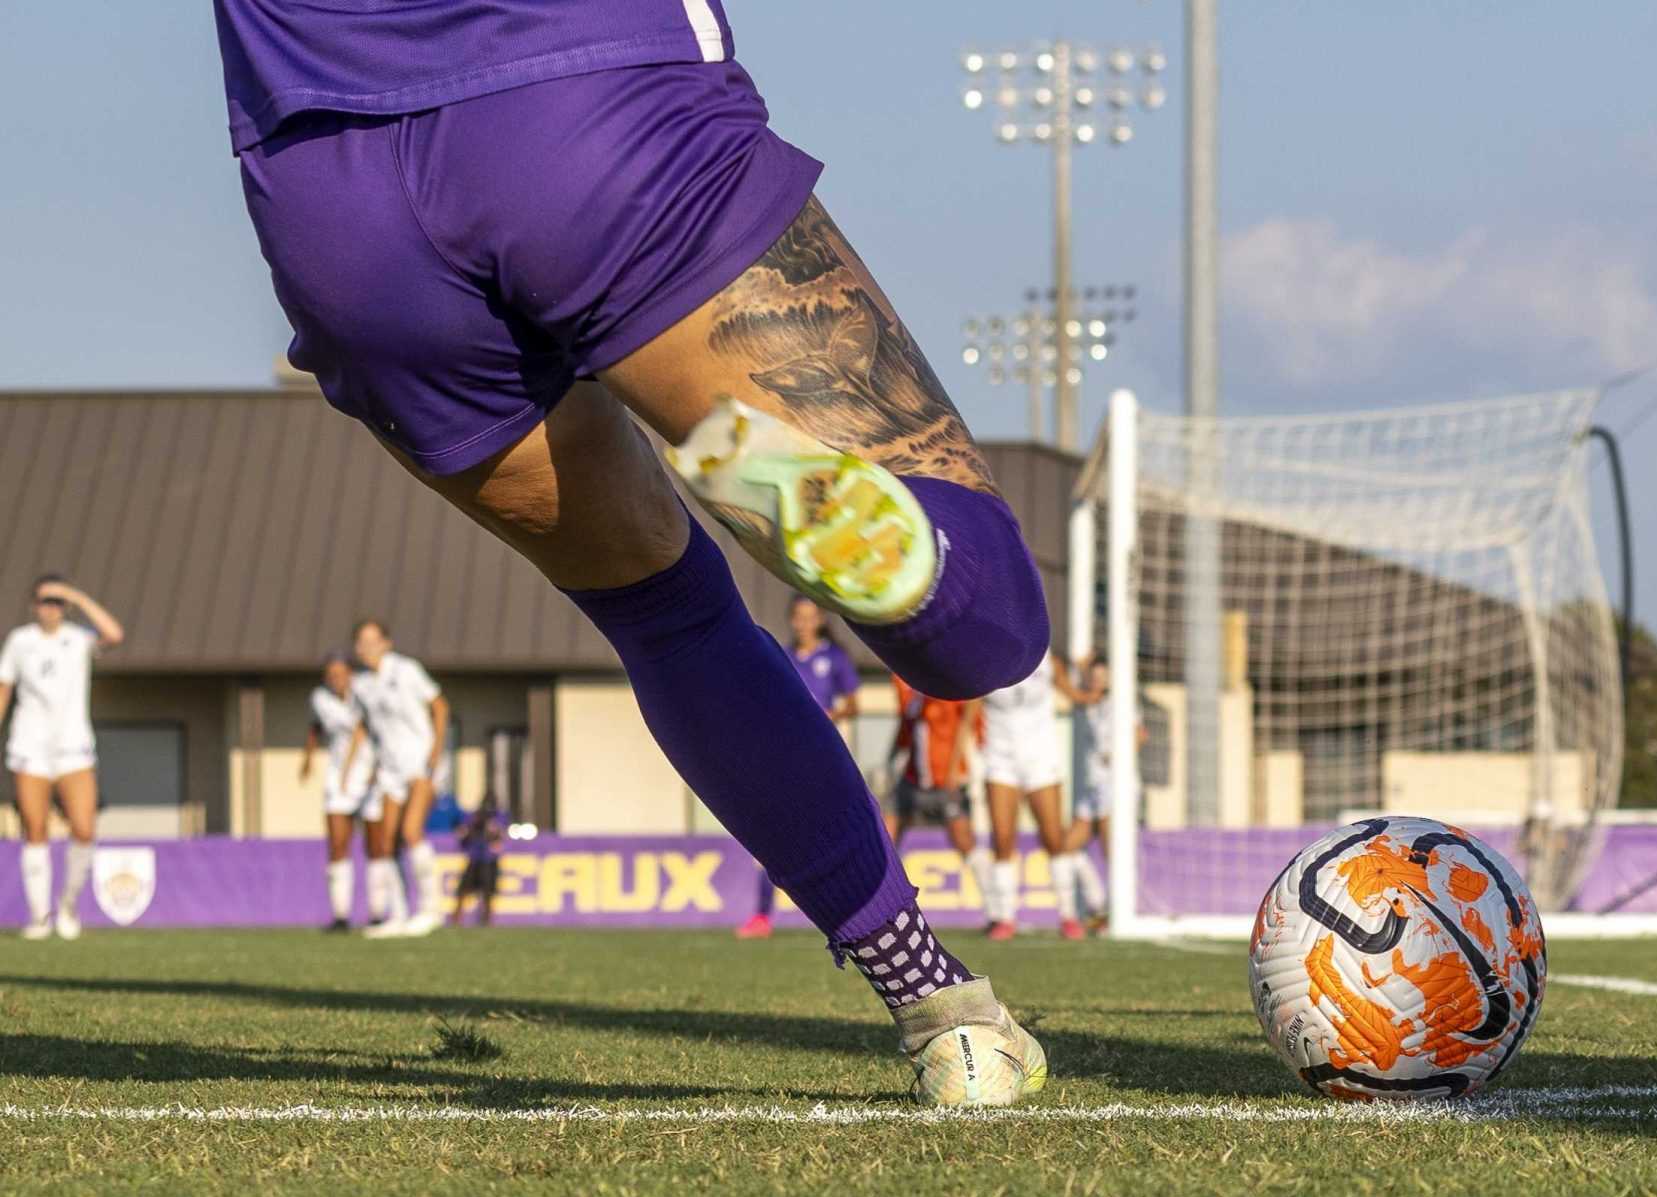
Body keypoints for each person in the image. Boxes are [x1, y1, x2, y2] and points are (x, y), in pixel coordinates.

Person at [216, 0, 1047, 1103]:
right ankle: (898, 557)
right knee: (987, 633)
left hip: (328, 186)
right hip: (588, 98)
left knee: (666, 618)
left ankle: (946, 1017)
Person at [0, 580, 124, 942]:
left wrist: (78, 596)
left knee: (84, 829)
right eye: (44, 601)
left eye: (57, 601)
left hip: (74, 748)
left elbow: (114, 634)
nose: (50, 608)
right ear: (34, 604)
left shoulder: (79, 638)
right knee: (35, 831)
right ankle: (40, 916)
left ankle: (68, 905)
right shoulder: (20, 641)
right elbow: (4, 687)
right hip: (30, 747)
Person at [738, 594, 861, 939]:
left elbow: (853, 705)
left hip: (821, 755)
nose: (804, 623)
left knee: (831, 833)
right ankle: (762, 917)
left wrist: (830, 715)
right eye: (799, 617)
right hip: (783, 753)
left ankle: (847, 914)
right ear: (792, 620)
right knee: (773, 835)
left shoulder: (834, 658)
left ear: (820, 619)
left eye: (811, 617)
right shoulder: (784, 656)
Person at [349, 619, 450, 938]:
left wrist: (435, 749)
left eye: (372, 641)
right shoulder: (361, 684)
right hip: (389, 768)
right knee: (385, 839)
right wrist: (366, 767)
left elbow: (440, 706)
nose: (366, 648)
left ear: (386, 643)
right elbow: (365, 727)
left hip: (419, 760)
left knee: (411, 831)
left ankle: (432, 910)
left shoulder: (406, 670)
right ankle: (399, 914)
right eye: (361, 642)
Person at [979, 652, 1090, 942]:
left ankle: (1068, 916)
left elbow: (1074, 695)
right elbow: (967, 708)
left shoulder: (1048, 660)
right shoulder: (982, 660)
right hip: (999, 759)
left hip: (1041, 759)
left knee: (1054, 838)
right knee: (1002, 839)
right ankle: (1005, 918)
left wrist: (1092, 684)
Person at [883, 678, 989, 904]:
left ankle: (997, 908)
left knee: (963, 840)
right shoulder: (907, 688)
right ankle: (879, 904)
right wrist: (890, 761)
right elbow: (904, 727)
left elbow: (971, 724)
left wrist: (956, 769)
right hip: (912, 780)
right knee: (884, 837)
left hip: (946, 780)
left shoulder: (951, 687)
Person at [1056, 653, 1134, 934]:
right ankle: (1097, 903)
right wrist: (1078, 667)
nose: (1098, 681)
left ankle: (1115, 914)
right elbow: (1074, 687)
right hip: (1090, 788)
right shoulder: (1087, 703)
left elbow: (1138, 734)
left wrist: (1118, 757)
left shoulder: (1119, 703)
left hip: (1111, 787)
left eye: (1103, 676)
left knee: (1112, 851)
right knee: (1066, 847)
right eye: (1094, 675)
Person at [300, 651, 374, 931]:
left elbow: (362, 733)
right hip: (339, 779)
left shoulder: (367, 694)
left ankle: (379, 913)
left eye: (341, 674)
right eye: (331, 675)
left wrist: (354, 771)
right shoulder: (320, 699)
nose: (337, 680)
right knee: (338, 844)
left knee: (378, 846)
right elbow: (316, 727)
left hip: (371, 775)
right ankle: (341, 915)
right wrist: (307, 758)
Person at [451, 797, 507, 927]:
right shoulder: (473, 819)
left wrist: (493, 831)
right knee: (463, 890)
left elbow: (499, 838)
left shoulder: (498, 818)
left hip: (489, 860)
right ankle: (456, 918)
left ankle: (487, 918)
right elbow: (463, 835)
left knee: (488, 892)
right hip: (475, 858)